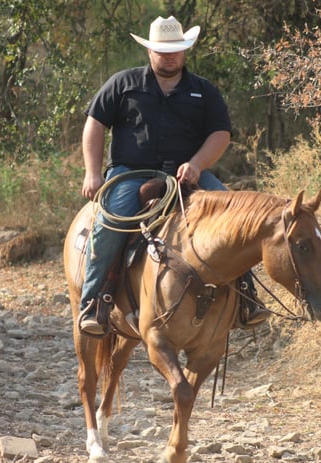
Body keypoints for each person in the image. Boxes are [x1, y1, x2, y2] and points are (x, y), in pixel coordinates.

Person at [78, 15, 269, 336]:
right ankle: (95, 301)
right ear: (149, 51)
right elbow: (94, 125)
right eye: (161, 50)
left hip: (188, 175)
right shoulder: (122, 84)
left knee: (237, 219)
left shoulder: (204, 91)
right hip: (130, 173)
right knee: (110, 222)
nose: (169, 56)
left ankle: (246, 297)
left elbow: (220, 134)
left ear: (185, 51)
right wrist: (92, 172)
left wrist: (196, 163)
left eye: (175, 50)